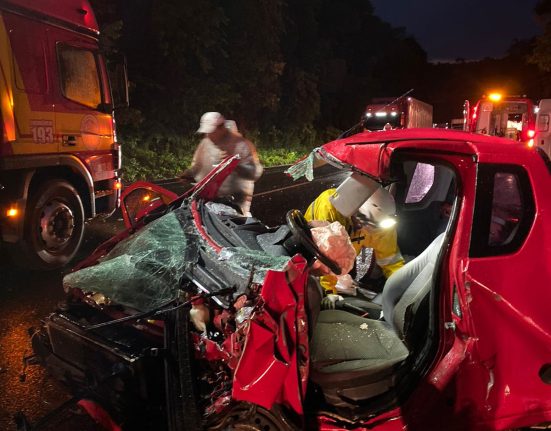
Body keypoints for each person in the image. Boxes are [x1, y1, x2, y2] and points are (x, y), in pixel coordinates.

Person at [304, 176, 404, 295]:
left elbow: (391, 260)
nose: (372, 233)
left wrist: (402, 287)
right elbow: (324, 259)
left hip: (337, 264)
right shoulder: (329, 208)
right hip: (310, 259)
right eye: (368, 226)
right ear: (357, 214)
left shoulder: (381, 222)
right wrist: (328, 291)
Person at [181, 112, 263, 216]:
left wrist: (234, 163)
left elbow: (254, 173)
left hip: (236, 204)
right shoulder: (206, 143)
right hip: (210, 201)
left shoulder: (242, 145)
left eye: (212, 132)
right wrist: (189, 174)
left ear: (222, 128)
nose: (208, 135)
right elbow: (197, 166)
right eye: (207, 132)